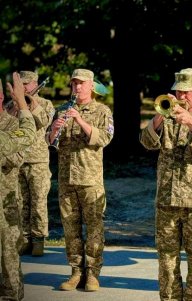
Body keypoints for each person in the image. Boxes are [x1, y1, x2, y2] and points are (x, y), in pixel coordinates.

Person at [140, 68, 192, 301]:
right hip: (166, 200)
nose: (182, 96)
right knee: (166, 263)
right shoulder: (167, 117)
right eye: (178, 91)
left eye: (187, 92)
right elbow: (146, 142)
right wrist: (159, 116)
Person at [46, 69, 114, 292]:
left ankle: (93, 274)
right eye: (74, 83)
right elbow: (51, 141)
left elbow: (104, 138)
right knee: (70, 229)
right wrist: (53, 130)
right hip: (67, 180)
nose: (77, 87)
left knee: (94, 229)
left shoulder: (102, 110)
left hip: (90, 179)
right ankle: (76, 271)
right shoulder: (62, 110)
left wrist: (80, 120)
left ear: (91, 85)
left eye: (81, 84)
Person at [9, 71, 54, 256]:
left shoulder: (45, 104)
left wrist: (31, 103)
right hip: (19, 159)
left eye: (27, 84)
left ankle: (38, 240)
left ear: (35, 83)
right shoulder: (13, 104)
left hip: (38, 161)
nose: (25, 87)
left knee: (38, 202)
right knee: (21, 202)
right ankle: (25, 238)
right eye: (22, 84)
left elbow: (44, 120)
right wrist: (17, 104)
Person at [0, 72, 37, 301]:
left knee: (9, 258)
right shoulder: (15, 127)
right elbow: (26, 137)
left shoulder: (11, 123)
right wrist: (22, 102)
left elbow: (17, 157)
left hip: (7, 203)